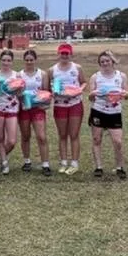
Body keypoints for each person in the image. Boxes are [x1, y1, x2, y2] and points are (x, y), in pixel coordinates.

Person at [88, 50, 128, 178]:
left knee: (117, 141)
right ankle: (98, 167)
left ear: (112, 61)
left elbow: (127, 94)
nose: (105, 63)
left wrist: (122, 94)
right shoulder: (95, 77)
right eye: (102, 62)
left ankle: (120, 167)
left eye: (107, 61)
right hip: (98, 110)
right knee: (96, 139)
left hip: (114, 111)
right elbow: (91, 97)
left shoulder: (121, 76)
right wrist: (93, 94)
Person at [50, 42, 85, 174]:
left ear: (71, 54)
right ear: (58, 54)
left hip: (75, 104)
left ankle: (74, 163)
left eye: (67, 53)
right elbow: (48, 88)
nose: (64, 55)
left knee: (74, 134)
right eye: (62, 53)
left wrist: (79, 90)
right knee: (62, 134)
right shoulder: (52, 70)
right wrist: (53, 93)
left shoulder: (77, 68)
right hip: (60, 105)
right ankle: (63, 162)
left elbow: (84, 82)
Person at [0, 48, 23, 175]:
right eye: (4, 60)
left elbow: (20, 94)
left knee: (12, 141)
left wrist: (19, 89)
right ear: (0, 61)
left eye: (8, 60)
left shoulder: (17, 75)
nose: (6, 63)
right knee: (0, 138)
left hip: (12, 108)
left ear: (12, 62)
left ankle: (2, 156)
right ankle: (4, 162)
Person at [17, 46, 50, 173]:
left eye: (31, 60)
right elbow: (17, 92)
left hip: (38, 109)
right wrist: (21, 97)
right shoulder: (19, 74)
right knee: (25, 136)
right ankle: (27, 161)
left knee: (41, 136)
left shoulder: (42, 74)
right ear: (24, 61)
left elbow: (46, 92)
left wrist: (44, 103)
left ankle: (45, 164)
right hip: (24, 108)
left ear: (35, 60)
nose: (29, 62)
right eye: (27, 60)